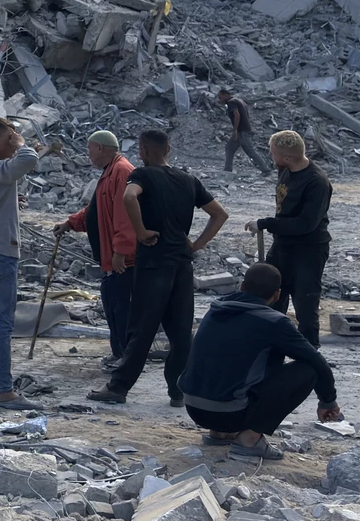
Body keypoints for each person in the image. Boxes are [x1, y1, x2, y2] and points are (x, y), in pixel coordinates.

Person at [89, 129, 230, 406]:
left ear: (143, 150)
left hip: (153, 263)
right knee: (180, 331)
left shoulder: (142, 175)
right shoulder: (187, 180)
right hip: (181, 264)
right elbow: (219, 214)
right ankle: (178, 391)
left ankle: (118, 387)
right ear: (168, 149)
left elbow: (129, 197)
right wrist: (196, 243)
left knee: (141, 328)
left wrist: (141, 232)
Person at [181, 262, 342, 461]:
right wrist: (328, 400)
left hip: (194, 408)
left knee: (250, 355)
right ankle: (249, 439)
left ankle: (219, 433)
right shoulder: (274, 322)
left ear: (242, 286)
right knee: (308, 370)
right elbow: (316, 361)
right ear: (277, 295)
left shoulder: (216, 309)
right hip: (229, 413)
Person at [0, 118, 57, 409]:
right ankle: (5, 391)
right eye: (8, 137)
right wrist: (21, 142)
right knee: (2, 323)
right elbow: (28, 159)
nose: (13, 142)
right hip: (1, 252)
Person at [57, 130, 139, 371]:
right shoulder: (110, 173)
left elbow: (125, 217)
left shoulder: (122, 172)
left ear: (101, 149)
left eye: (90, 149)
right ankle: (119, 353)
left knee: (121, 308)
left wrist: (120, 251)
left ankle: (126, 357)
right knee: (112, 306)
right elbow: (96, 211)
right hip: (109, 256)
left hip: (121, 260)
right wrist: (71, 223)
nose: (88, 154)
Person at [247, 130, 332, 347]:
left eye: (273, 153)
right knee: (272, 300)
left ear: (286, 158)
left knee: (305, 304)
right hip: (283, 246)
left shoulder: (317, 182)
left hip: (308, 251)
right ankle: (271, 353)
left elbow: (306, 224)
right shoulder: (285, 171)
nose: (270, 156)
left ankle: (310, 359)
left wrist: (265, 223)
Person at [219, 89, 271, 175]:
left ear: (225, 95)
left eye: (220, 97)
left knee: (250, 151)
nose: (220, 100)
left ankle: (266, 170)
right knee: (229, 148)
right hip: (243, 130)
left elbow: (237, 115)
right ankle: (227, 170)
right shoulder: (239, 100)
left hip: (241, 131)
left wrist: (235, 130)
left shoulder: (231, 102)